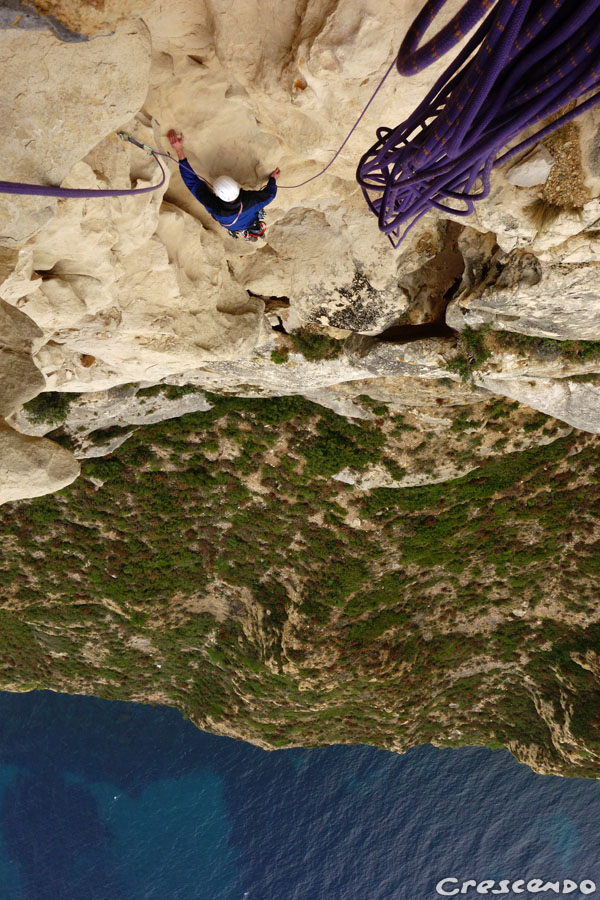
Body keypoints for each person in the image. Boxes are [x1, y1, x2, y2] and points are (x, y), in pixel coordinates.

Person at [167, 130, 280, 241]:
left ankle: (249, 227)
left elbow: (270, 195)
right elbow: (271, 194)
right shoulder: (219, 211)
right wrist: (179, 150)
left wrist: (273, 180)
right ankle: (248, 229)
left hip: (245, 217)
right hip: (233, 224)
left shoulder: (252, 202)